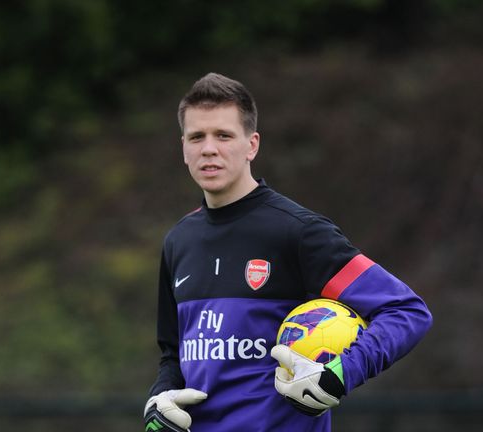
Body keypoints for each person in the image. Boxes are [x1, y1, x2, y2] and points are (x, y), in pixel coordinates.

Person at [144, 72, 432, 431]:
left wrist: (339, 375)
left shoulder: (296, 231)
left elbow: (406, 310)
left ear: (252, 145)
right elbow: (173, 356)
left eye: (224, 135)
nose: (208, 148)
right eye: (196, 136)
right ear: (183, 147)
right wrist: (159, 400)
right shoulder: (178, 241)